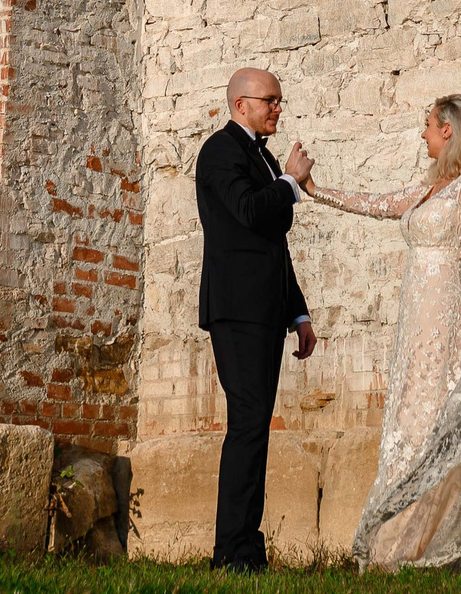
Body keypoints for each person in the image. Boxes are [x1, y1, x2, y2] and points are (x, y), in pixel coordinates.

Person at [298, 94, 461, 569]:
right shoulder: (432, 188)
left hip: (449, 313)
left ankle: (436, 545)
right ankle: (397, 546)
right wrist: (314, 188)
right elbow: (378, 204)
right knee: (409, 424)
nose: (422, 133)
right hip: (416, 321)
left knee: (438, 423)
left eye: (427, 125)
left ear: (449, 129)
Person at [195, 66, 317, 571]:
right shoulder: (220, 151)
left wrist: (299, 311)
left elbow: (274, 243)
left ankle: (247, 546)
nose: (277, 109)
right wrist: (290, 180)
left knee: (257, 427)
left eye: (279, 101)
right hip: (237, 311)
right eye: (270, 100)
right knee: (247, 425)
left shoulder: (262, 157)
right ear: (241, 103)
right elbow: (248, 211)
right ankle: (231, 553)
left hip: (268, 311)